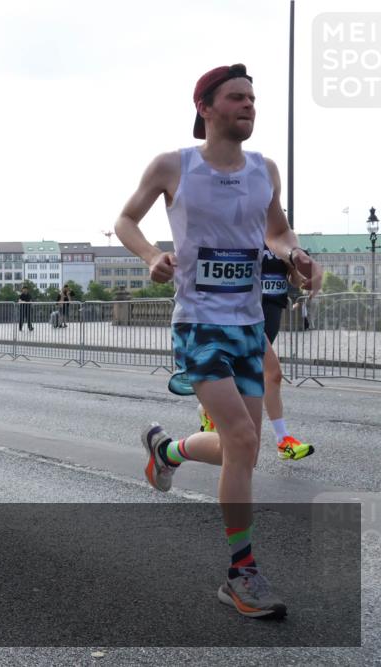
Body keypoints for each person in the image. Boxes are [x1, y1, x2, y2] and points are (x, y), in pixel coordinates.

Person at [114, 63, 322, 619]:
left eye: (253, 98)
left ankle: (167, 449)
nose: (249, 105)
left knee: (244, 447)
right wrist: (151, 256)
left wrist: (293, 255)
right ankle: (241, 572)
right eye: (237, 97)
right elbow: (126, 220)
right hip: (200, 322)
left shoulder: (264, 170)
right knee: (239, 436)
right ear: (205, 107)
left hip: (249, 324)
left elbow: (276, 230)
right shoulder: (172, 165)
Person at [198, 246, 315, 460]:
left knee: (249, 374)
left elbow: (292, 276)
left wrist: (305, 282)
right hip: (249, 312)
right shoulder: (246, 233)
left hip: (273, 310)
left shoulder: (281, 239)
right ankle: (282, 440)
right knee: (272, 373)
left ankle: (208, 409)